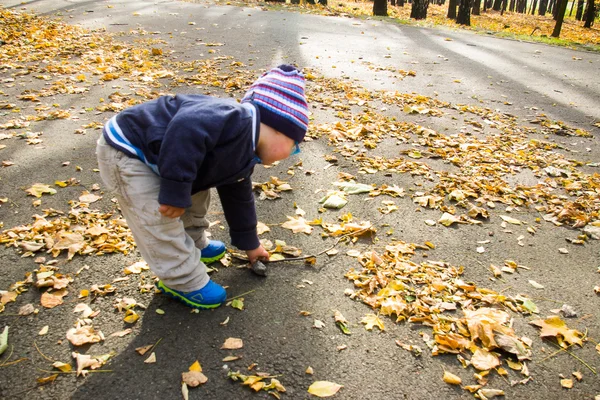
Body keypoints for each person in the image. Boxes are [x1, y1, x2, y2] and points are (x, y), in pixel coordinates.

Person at [96, 64, 309, 309]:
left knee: (198, 193)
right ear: (278, 127)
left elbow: (238, 197)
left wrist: (250, 243)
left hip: (162, 158)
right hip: (127, 153)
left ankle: (193, 239)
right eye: (294, 144)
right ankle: (181, 279)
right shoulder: (232, 117)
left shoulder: (245, 151)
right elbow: (185, 128)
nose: (292, 152)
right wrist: (175, 190)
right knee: (158, 217)